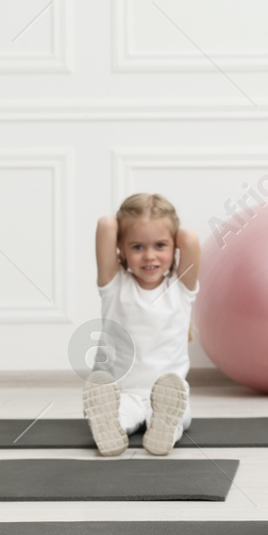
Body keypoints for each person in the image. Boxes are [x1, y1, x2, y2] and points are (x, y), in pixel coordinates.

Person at [84, 194, 199, 456]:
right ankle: (110, 426)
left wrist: (165, 224)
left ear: (174, 246)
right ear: (120, 248)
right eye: (137, 247)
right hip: (120, 391)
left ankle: (164, 427)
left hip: (169, 391)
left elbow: (190, 239)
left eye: (160, 245)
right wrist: (155, 229)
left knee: (177, 414)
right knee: (115, 415)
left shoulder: (180, 288)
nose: (149, 256)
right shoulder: (114, 285)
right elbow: (105, 225)